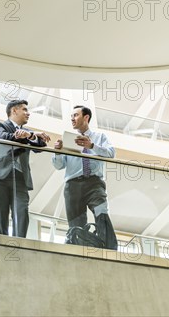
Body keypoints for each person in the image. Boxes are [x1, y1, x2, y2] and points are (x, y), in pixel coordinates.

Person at [52, 105, 118, 250]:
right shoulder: (68, 140)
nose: (72, 119)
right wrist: (57, 152)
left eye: (75, 115)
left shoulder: (100, 138)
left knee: (102, 214)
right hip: (73, 186)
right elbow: (59, 165)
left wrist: (92, 145)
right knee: (76, 224)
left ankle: (111, 250)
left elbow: (111, 153)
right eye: (71, 117)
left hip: (94, 183)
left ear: (86, 117)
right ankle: (79, 252)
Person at [0, 100, 51, 237]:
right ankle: (2, 247)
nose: (28, 113)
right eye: (25, 110)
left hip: (20, 178)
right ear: (14, 110)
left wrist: (30, 135)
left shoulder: (28, 132)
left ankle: (20, 247)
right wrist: (24, 135)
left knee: (21, 214)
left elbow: (41, 145)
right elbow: (3, 137)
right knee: (0, 219)